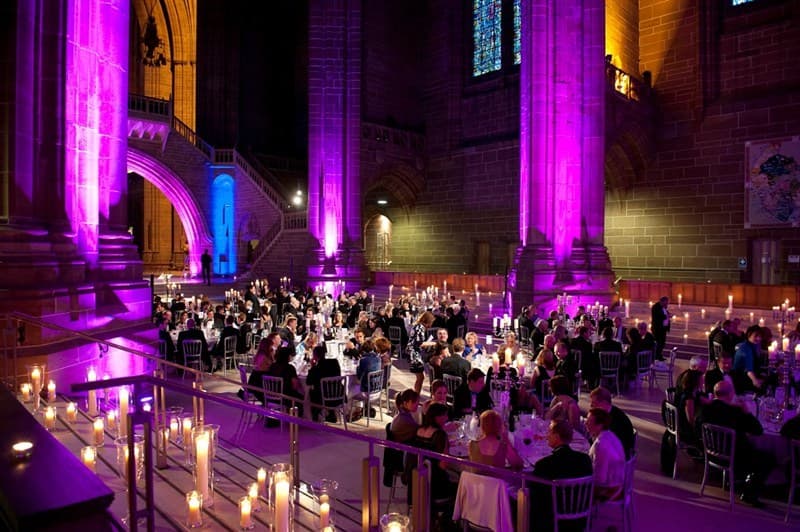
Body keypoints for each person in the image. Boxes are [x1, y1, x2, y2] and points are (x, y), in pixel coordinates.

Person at [694, 380, 775, 506]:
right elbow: (758, 430)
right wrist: (747, 412)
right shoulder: (736, 413)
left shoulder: (704, 409)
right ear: (731, 394)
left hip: (710, 454)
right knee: (769, 458)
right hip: (734, 458)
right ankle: (749, 492)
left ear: (715, 393)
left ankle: (738, 480)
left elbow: (697, 428)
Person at [530, 419, 593, 532]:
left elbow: (534, 494)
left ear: (557, 436)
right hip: (580, 518)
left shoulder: (544, 465)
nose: (547, 436)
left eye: (549, 432)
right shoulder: (585, 460)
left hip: (552, 520)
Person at [586, 407, 626, 501]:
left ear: (600, 425)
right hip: (618, 482)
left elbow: (600, 479)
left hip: (610, 490)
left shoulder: (600, 445)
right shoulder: (610, 435)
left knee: (572, 490)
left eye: (589, 422)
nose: (585, 423)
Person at [589, 386, 635, 459]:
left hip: (617, 457)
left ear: (604, 403)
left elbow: (611, 446)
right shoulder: (607, 414)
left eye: (594, 403)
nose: (591, 406)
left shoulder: (616, 420)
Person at [305, 344, 342, 422]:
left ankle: (315, 418)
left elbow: (308, 382)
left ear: (314, 356)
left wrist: (312, 367)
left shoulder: (316, 368)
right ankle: (331, 414)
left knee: (311, 393)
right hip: (339, 395)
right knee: (329, 388)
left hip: (322, 398)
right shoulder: (334, 362)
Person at [265, 345, 305, 417]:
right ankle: (296, 420)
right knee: (303, 397)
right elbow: (295, 386)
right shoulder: (290, 368)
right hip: (285, 396)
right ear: (287, 356)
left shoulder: (272, 366)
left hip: (270, 395)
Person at [406, 311, 435, 394]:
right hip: (414, 354)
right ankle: (416, 396)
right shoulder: (420, 327)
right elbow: (420, 343)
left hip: (415, 353)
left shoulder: (418, 326)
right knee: (421, 377)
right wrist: (433, 343)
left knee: (421, 377)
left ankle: (416, 394)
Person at [733, 325, 765, 392]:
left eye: (760, 336)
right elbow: (749, 370)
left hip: (747, 376)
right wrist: (756, 382)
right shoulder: (747, 348)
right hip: (741, 380)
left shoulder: (750, 345)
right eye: (756, 336)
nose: (759, 338)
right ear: (749, 335)